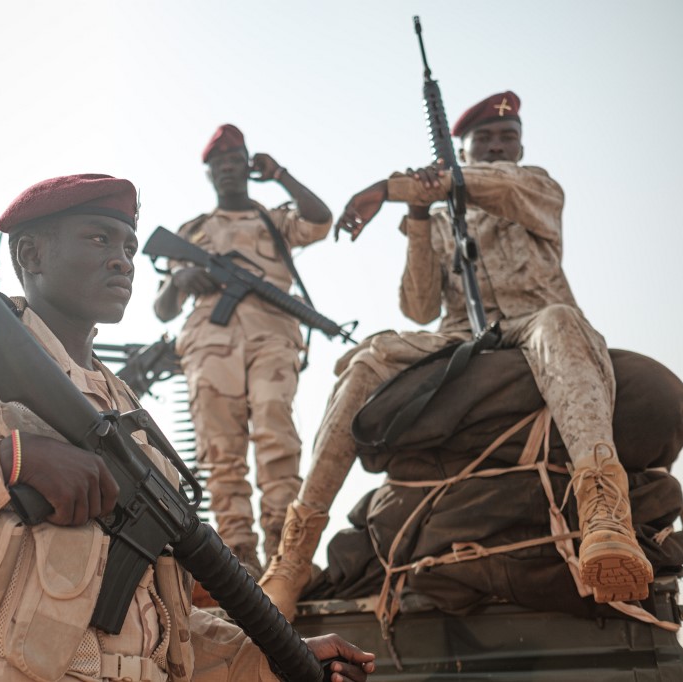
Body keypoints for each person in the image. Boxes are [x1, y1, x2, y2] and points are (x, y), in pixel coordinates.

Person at [0, 173, 375, 682]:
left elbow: (157, 627)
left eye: (128, 245)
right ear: (30, 253)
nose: (123, 259)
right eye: (99, 239)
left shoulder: (128, 410)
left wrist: (277, 655)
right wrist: (2, 468)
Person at [260, 91, 654, 618]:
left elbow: (498, 187)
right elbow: (419, 306)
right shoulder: (445, 222)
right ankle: (293, 556)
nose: (496, 147)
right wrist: (420, 215)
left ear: (519, 146)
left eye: (506, 137)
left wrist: (392, 188)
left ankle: (605, 514)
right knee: (368, 356)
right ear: (461, 151)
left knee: (562, 321)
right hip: (458, 338)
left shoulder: (534, 187)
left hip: (533, 322)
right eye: (483, 140)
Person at [153, 124, 333, 577]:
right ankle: (238, 555)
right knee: (220, 448)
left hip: (272, 335)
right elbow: (161, 309)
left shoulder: (274, 220)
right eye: (220, 165)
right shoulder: (192, 232)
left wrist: (282, 175)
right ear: (210, 174)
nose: (229, 171)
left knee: (276, 429)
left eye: (237, 162)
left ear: (248, 167)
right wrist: (178, 281)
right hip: (209, 346)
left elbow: (320, 220)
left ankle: (284, 548)